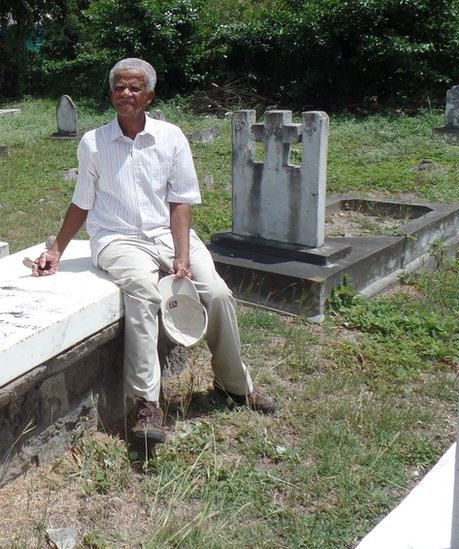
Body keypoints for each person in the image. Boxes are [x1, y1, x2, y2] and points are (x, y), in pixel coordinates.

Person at [32, 58, 276, 446]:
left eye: (134, 88)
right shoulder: (94, 143)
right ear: (111, 93)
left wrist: (181, 254)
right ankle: (146, 405)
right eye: (118, 88)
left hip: (168, 234)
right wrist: (56, 249)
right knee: (143, 293)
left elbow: (180, 201)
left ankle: (233, 384)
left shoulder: (171, 137)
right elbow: (81, 202)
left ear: (149, 95)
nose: (125, 94)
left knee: (216, 293)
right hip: (119, 237)